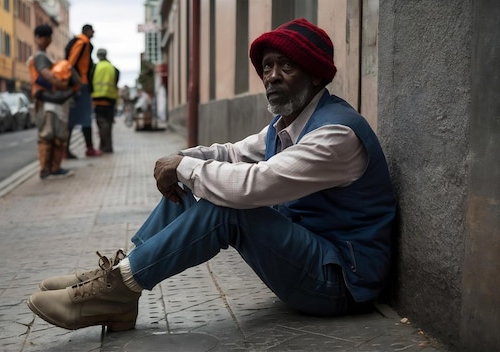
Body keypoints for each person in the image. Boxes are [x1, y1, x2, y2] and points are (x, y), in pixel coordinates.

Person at [27, 18, 396, 331]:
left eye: (286, 66)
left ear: (316, 75)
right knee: (194, 182)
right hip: (308, 256)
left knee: (229, 204)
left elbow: (254, 185)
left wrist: (184, 167)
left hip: (340, 282)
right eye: (267, 67)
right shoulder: (286, 126)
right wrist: (181, 159)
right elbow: (233, 153)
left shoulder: (336, 134)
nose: (272, 76)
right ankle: (118, 284)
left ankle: (119, 287)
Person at [28, 24, 74, 180]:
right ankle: (48, 169)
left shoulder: (43, 56)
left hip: (49, 100)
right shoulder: (40, 57)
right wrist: (61, 84)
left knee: (54, 135)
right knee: (48, 135)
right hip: (47, 101)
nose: (47, 40)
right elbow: (45, 74)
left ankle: (52, 168)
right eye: (45, 37)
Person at [65, 24, 102, 158]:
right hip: (81, 85)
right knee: (86, 118)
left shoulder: (80, 42)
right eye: (92, 30)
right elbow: (71, 63)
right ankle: (89, 148)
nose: (94, 33)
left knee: (72, 119)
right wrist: (79, 81)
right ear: (87, 31)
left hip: (78, 86)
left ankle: (66, 149)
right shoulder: (83, 42)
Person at [91, 48, 120, 153]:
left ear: (98, 56)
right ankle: (106, 145)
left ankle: (105, 146)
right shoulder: (113, 68)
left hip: (98, 99)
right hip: (110, 99)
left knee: (101, 123)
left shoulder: (95, 67)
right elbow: (116, 82)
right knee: (108, 123)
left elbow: (90, 81)